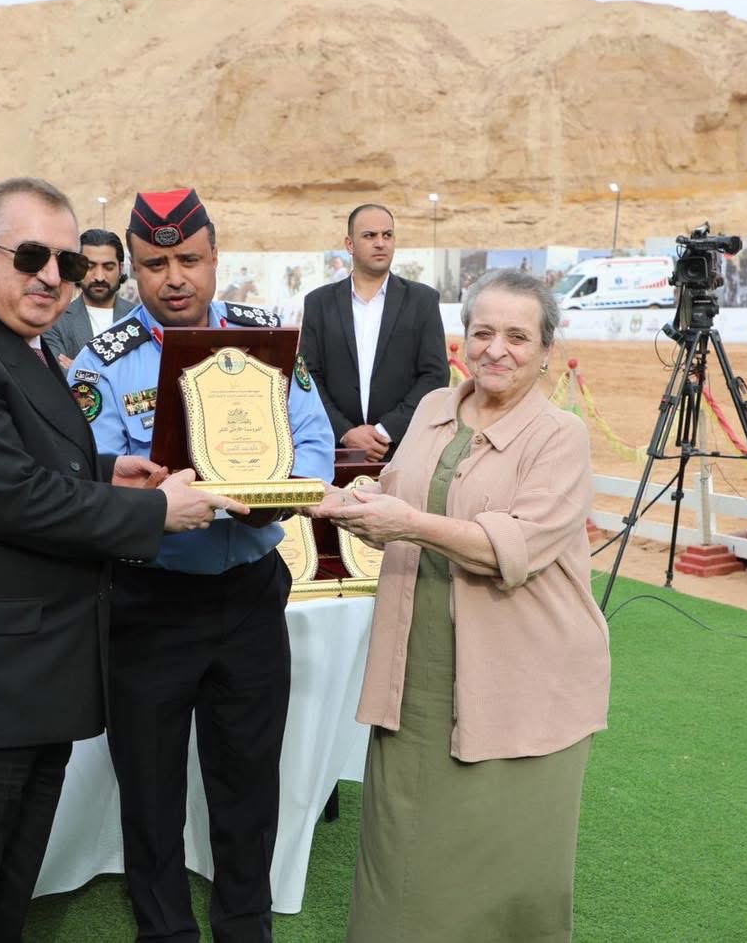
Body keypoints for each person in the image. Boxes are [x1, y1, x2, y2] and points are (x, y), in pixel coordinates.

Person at [0, 177, 241, 942]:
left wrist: (106, 473)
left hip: (18, 685)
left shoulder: (16, 346)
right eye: (31, 256)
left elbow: (26, 463)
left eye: (68, 261)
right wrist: (156, 512)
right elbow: (11, 497)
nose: (52, 276)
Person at [67, 187, 334, 943]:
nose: (174, 278)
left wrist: (278, 497)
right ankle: (165, 931)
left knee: (248, 779)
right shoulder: (103, 361)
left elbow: (314, 442)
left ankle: (245, 926)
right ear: (132, 270)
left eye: (189, 259)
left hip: (249, 593)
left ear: (216, 258)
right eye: (155, 265)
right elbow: (85, 476)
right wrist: (146, 494)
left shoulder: (266, 344)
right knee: (149, 788)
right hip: (148, 599)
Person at [312, 268, 611, 943]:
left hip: (524, 683)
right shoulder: (431, 409)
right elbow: (395, 495)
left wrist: (407, 523)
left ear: (546, 350)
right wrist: (336, 501)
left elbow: (517, 547)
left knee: (505, 869)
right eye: (482, 332)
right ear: (463, 338)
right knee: (400, 858)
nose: (495, 350)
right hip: (417, 679)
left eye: (517, 336)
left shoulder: (559, 435)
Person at [299, 204, 447, 462]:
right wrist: (345, 432)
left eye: (387, 235)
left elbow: (435, 375)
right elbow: (308, 378)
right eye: (370, 235)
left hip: (402, 453)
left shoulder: (422, 301)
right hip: (334, 454)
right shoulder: (319, 304)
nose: (380, 243)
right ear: (349, 244)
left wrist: (385, 431)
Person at [41, 227, 134, 367]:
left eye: (108, 267)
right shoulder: (55, 322)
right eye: (90, 267)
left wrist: (81, 368)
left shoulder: (140, 318)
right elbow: (60, 375)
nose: (99, 277)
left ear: (121, 269)